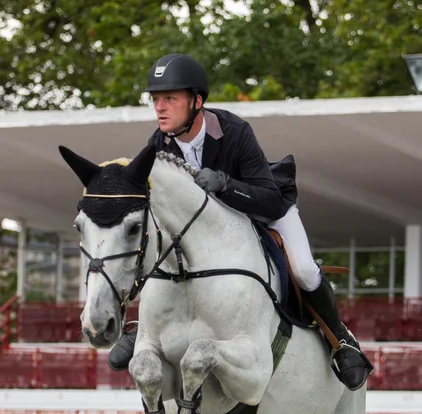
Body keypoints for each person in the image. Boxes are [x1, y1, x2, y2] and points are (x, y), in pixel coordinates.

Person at [108, 53, 371, 392]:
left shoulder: (233, 131)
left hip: (265, 210)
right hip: (210, 233)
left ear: (197, 101)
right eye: (156, 99)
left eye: (170, 98)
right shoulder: (158, 144)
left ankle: (340, 341)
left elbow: (270, 198)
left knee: (305, 269)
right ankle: (142, 329)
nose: (160, 107)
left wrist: (225, 184)